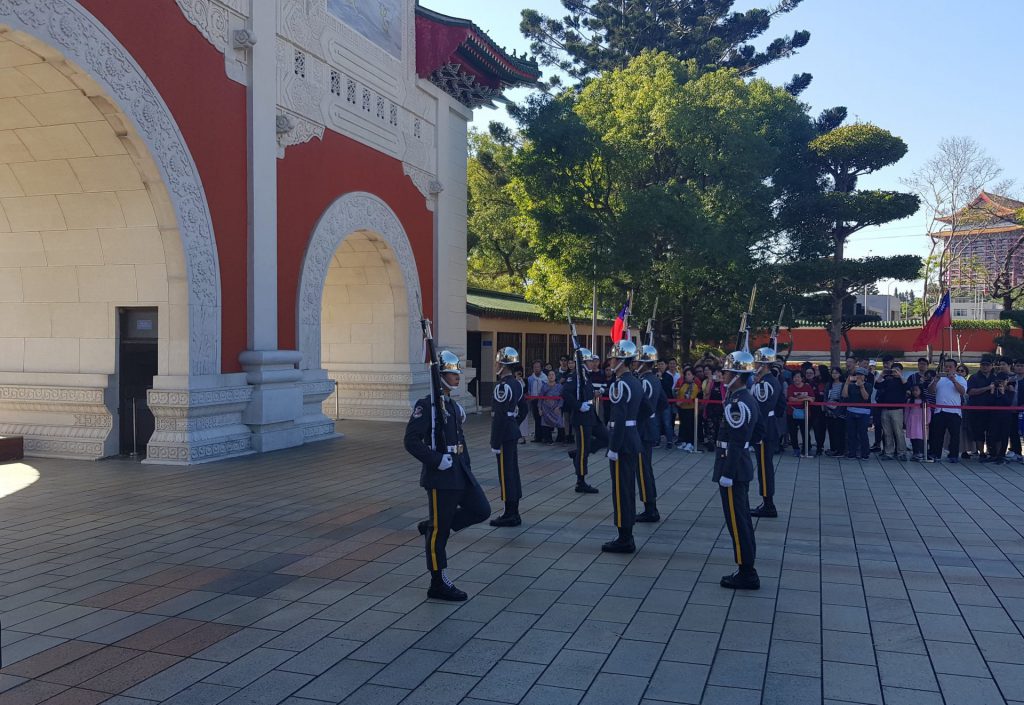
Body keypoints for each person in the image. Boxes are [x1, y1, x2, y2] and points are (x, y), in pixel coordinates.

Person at [404, 351, 490, 601]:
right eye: (452, 373)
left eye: (457, 373)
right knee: (438, 535)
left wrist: (467, 467)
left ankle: (434, 525)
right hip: (441, 475)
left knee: (481, 509)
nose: (457, 377)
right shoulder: (426, 405)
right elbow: (410, 441)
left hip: (460, 471)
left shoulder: (452, 405)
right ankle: (437, 581)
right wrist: (436, 459)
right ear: (440, 375)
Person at [714, 350, 762, 590]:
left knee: (737, 520)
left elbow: (735, 441)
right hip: (736, 463)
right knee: (739, 519)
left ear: (737, 376)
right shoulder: (742, 399)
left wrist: (728, 473)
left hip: (733, 467)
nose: (723, 376)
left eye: (727, 372)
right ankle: (746, 566)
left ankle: (747, 571)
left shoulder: (739, 403)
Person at [603, 340, 649, 553]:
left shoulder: (620, 384)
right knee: (628, 487)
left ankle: (624, 537)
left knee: (621, 490)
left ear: (621, 361)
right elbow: (647, 409)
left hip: (621, 443)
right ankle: (626, 533)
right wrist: (633, 427)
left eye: (613, 358)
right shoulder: (637, 381)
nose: (611, 361)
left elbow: (619, 419)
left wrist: (613, 447)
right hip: (632, 439)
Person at [491, 347, 528, 526]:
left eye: (498, 362)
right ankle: (514, 510)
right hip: (512, 432)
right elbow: (524, 409)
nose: (496, 365)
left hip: (504, 435)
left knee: (506, 474)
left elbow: (499, 417)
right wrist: (515, 423)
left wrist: (495, 442)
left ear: (503, 365)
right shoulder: (518, 384)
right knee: (513, 471)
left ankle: (510, 513)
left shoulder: (503, 386)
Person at [563, 348, 605, 493]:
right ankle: (580, 482)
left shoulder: (585, 376)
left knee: (607, 438)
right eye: (589, 360)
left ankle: (578, 452)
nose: (592, 363)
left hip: (591, 416)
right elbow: (566, 393)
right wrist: (578, 406)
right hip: (581, 417)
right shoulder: (576, 376)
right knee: (583, 452)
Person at [751, 347, 782, 518]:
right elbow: (781, 406)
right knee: (765, 466)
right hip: (769, 427)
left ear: (763, 365)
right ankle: (767, 502)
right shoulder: (771, 381)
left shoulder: (765, 384)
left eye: (757, 363)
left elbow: (761, 409)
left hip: (764, 430)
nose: (755, 365)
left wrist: (756, 431)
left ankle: (768, 504)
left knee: (764, 468)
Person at [635, 345, 664, 522]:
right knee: (645, 468)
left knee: (643, 470)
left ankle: (650, 508)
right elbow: (663, 403)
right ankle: (650, 506)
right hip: (649, 426)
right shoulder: (654, 379)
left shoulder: (644, 381)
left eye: (638, 361)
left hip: (643, 429)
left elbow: (641, 407)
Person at [928, 358, 967, 463]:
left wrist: (954, 380)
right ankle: (936, 454)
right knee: (937, 435)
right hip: (939, 411)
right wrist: (935, 381)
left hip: (954, 412)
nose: (948, 368)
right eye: (946, 366)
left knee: (954, 435)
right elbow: (931, 391)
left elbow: (962, 392)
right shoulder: (939, 378)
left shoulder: (960, 379)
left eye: (950, 367)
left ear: (955, 368)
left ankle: (953, 455)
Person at [875, 361, 908, 461]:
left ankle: (901, 452)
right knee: (887, 432)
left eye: (897, 370)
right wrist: (882, 374)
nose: (895, 372)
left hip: (897, 410)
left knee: (898, 432)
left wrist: (900, 376)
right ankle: (888, 452)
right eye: (893, 370)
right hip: (885, 409)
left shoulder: (903, 381)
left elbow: (907, 387)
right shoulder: (888, 380)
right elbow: (877, 385)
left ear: (901, 371)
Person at [967, 356, 997, 460]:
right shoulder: (974, 377)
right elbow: (970, 392)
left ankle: (992, 452)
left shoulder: (995, 378)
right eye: (983, 365)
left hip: (992, 410)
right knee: (978, 431)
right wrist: (987, 388)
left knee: (992, 432)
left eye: (987, 365)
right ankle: (981, 453)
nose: (985, 367)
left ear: (991, 366)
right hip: (977, 409)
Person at [843, 366, 874, 459]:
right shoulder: (851, 385)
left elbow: (866, 397)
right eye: (857, 374)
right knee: (851, 433)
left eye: (861, 375)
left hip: (864, 412)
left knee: (862, 433)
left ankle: (865, 453)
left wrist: (861, 386)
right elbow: (844, 395)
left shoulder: (868, 385)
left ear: (865, 376)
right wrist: (846, 384)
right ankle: (852, 452)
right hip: (851, 411)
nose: (859, 376)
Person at [990, 373, 1016, 464]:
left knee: (1004, 435)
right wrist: (992, 391)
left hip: (1006, 416)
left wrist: (1003, 393)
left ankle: (1001, 455)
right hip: (994, 416)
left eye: (1002, 381)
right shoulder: (995, 391)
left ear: (1006, 381)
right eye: (998, 381)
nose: (1000, 383)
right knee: (993, 435)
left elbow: (1008, 403)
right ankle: (994, 454)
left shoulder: (1010, 390)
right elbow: (991, 402)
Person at [786, 372, 812, 457]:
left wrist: (798, 398)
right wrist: (804, 399)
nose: (796, 379)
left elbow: (812, 398)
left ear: (802, 378)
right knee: (793, 432)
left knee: (805, 432)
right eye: (794, 377)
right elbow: (790, 398)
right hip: (791, 413)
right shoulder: (790, 387)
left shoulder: (807, 387)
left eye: (798, 377)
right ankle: (796, 449)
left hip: (805, 413)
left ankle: (806, 449)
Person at [674, 367, 700, 452]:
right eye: (686, 374)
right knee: (683, 426)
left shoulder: (694, 386)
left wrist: (680, 402)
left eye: (689, 374)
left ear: (693, 376)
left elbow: (690, 396)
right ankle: (684, 441)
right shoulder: (683, 384)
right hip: (682, 408)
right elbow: (680, 394)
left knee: (690, 426)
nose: (687, 376)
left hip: (690, 408)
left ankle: (691, 443)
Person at [824, 367, 847, 457]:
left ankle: (840, 450)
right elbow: (826, 396)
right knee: (831, 431)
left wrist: (837, 410)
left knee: (839, 431)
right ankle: (833, 448)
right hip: (829, 409)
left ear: (840, 374)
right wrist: (827, 408)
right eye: (833, 373)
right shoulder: (829, 384)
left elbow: (844, 398)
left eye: (836, 373)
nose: (834, 374)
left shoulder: (843, 384)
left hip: (839, 410)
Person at [904, 383, 929, 462]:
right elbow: (907, 411)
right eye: (913, 390)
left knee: (920, 438)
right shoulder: (909, 400)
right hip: (912, 420)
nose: (915, 392)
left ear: (921, 391)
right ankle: (915, 453)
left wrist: (927, 421)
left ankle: (921, 453)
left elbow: (928, 412)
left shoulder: (924, 401)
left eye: (916, 390)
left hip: (921, 421)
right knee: (913, 438)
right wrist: (906, 421)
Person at [657, 359, 677, 448]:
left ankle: (669, 441)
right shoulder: (655, 376)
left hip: (666, 403)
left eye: (662, 364)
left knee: (667, 422)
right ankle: (657, 440)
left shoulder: (668, 376)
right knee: (656, 422)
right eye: (659, 364)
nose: (660, 366)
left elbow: (667, 387)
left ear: (666, 365)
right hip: (657, 403)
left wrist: (661, 378)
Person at [539, 370, 563, 444]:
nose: (551, 376)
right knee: (545, 423)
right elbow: (540, 398)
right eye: (549, 375)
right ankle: (548, 439)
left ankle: (560, 438)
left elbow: (562, 397)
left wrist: (559, 407)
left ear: (555, 376)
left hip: (556, 407)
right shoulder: (544, 386)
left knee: (559, 422)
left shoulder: (560, 386)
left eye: (553, 375)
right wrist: (539, 408)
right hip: (546, 408)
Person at [527, 361, 545, 443]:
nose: (536, 369)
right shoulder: (530, 379)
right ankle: (537, 436)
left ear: (541, 368)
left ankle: (545, 435)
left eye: (538, 367)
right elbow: (529, 389)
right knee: (536, 418)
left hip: (544, 400)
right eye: (535, 367)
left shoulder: (545, 378)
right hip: (534, 400)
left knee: (544, 418)